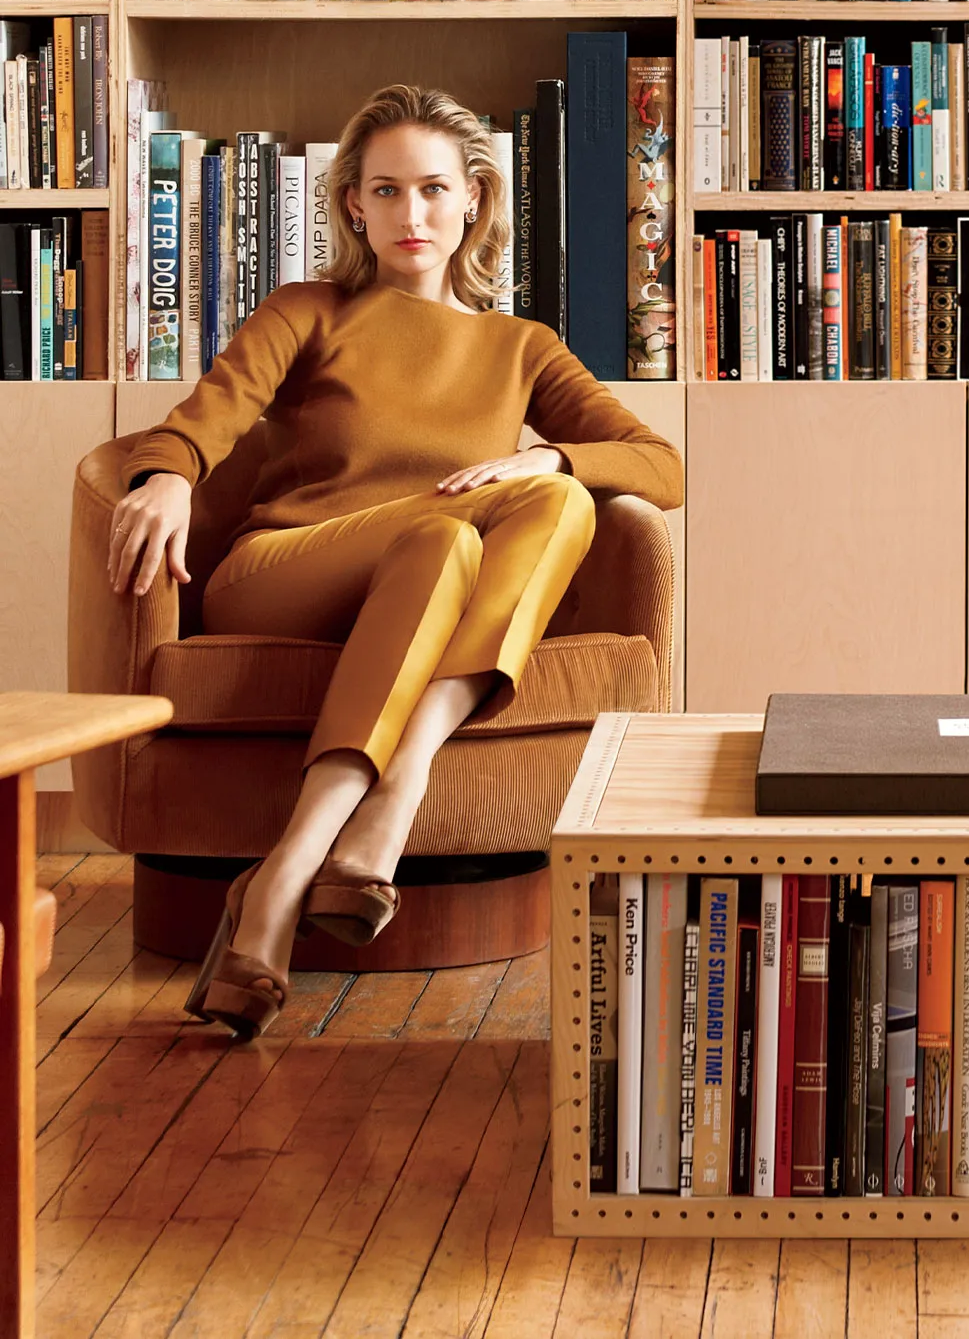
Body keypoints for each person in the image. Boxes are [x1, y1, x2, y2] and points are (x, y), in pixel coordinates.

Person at [107, 82, 684, 1040]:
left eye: (431, 190)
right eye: (384, 192)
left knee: (509, 511)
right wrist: (166, 475)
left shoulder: (522, 346)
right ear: (353, 207)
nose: (410, 215)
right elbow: (204, 416)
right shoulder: (308, 310)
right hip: (287, 572)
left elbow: (660, 467)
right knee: (496, 513)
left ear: (473, 202)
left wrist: (550, 452)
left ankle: (289, 870)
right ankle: (390, 802)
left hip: (427, 583)